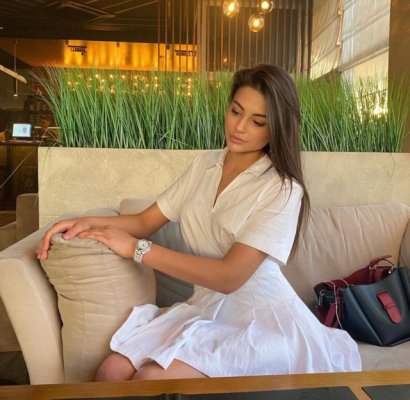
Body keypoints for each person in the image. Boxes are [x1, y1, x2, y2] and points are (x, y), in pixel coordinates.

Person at [37, 64, 361, 381]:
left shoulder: (282, 189)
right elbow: (145, 221)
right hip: (205, 307)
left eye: (258, 121)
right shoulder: (204, 164)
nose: (240, 127)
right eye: (236, 111)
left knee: (151, 379)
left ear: (276, 128)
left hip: (260, 320)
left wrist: (137, 249)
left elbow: (229, 277)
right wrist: (78, 222)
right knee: (111, 371)